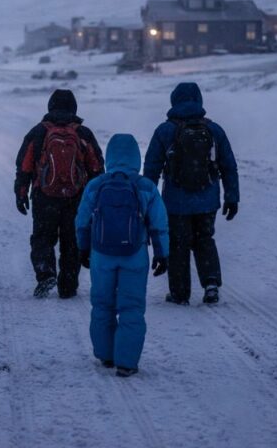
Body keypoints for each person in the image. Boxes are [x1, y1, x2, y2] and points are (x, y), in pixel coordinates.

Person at [76, 134, 169, 377]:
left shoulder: (96, 185)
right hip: (134, 254)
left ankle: (106, 355)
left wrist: (83, 248)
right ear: (136, 158)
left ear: (111, 158)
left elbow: (82, 221)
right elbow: (159, 223)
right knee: (132, 308)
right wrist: (162, 253)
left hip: (102, 254)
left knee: (102, 305)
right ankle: (126, 362)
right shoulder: (145, 186)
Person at [143, 82, 239, 305]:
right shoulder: (213, 130)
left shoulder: (165, 131)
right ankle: (211, 283)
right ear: (199, 101)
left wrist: (147, 201)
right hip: (207, 200)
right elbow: (228, 165)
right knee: (205, 239)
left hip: (176, 203)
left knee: (178, 244)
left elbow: (151, 168)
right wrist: (232, 196)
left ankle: (179, 292)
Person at [14, 89, 104, 299]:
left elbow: (24, 165)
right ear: (74, 108)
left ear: (50, 106)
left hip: (44, 196)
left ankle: (45, 273)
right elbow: (97, 168)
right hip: (75, 198)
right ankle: (68, 286)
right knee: (71, 241)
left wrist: (21, 193)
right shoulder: (82, 133)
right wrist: (96, 199)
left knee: (43, 238)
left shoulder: (39, 131)